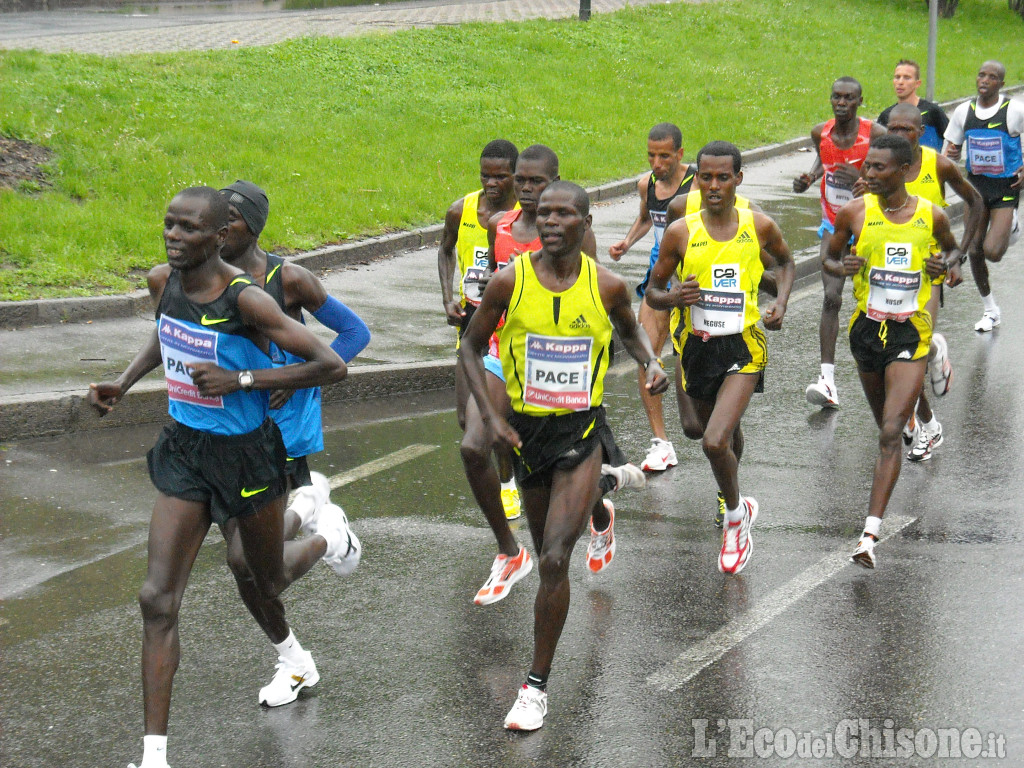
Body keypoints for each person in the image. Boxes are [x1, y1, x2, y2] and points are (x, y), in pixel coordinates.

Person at [88, 187, 348, 768]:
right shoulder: (165, 281)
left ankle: (328, 532)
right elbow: (166, 334)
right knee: (156, 598)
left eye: (187, 229)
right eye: (168, 226)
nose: (173, 237)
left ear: (218, 237)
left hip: (246, 456)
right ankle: (155, 756)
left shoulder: (246, 300)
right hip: (185, 450)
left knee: (267, 578)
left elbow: (333, 364)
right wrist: (124, 383)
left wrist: (245, 381)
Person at [460, 182, 668, 731]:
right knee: (541, 536)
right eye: (545, 213)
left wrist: (650, 364)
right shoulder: (511, 281)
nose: (551, 222)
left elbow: (630, 333)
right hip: (528, 433)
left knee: (553, 558)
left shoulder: (607, 285)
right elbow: (470, 344)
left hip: (580, 432)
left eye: (564, 214)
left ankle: (535, 686)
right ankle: (605, 492)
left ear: (585, 221)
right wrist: (493, 414)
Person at [215, 180, 367, 698]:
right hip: (227, 434)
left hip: (282, 434)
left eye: (228, 218)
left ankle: (324, 528)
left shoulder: (290, 280)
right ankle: (292, 659)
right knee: (247, 564)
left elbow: (353, 336)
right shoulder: (207, 279)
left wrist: (298, 374)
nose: (217, 227)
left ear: (252, 226)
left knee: (255, 563)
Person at [648, 141, 794, 575]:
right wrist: (675, 296)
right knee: (698, 430)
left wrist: (781, 304)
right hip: (695, 344)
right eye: (706, 177)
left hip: (743, 345)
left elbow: (786, 264)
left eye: (723, 177)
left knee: (715, 440)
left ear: (738, 180)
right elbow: (654, 292)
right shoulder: (681, 231)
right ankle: (729, 439)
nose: (714, 186)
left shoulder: (759, 225)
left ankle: (735, 518)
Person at [825, 135, 962, 568]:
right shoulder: (854, 213)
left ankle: (869, 535)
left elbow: (953, 252)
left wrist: (948, 267)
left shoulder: (930, 216)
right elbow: (829, 259)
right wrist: (841, 266)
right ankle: (926, 393)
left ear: (903, 171)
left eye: (878, 169)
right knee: (888, 425)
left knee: (888, 434)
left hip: (910, 333)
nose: (867, 175)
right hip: (867, 330)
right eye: (868, 167)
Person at [878, 106, 983, 461]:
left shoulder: (937, 164)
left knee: (909, 353)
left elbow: (975, 201)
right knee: (892, 354)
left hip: (927, 273)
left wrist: (958, 257)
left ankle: (921, 427)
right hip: (885, 277)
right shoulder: (878, 167)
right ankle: (928, 421)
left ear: (921, 132)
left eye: (907, 128)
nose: (899, 134)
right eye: (893, 127)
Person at [437, 140, 524, 522]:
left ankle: (507, 485)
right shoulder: (462, 209)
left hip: (515, 327)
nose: (491, 183)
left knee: (493, 417)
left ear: (516, 177)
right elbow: (445, 249)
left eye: (500, 176)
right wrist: (447, 298)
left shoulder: (526, 215)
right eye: (485, 175)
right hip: (473, 324)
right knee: (465, 418)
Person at [794, 77, 887, 408]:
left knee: (882, 300)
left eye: (849, 98)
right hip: (833, 226)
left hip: (870, 227)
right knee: (831, 297)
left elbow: (891, 176)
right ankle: (827, 380)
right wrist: (811, 176)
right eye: (836, 97)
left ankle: (905, 357)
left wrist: (864, 180)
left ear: (860, 100)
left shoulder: (874, 134)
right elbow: (823, 159)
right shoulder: (821, 131)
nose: (841, 103)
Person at [608, 123, 695, 471]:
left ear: (679, 154)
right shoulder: (647, 184)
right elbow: (646, 218)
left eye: (664, 156)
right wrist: (627, 242)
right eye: (651, 155)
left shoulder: (699, 184)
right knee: (647, 356)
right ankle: (661, 443)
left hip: (693, 278)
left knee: (693, 353)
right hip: (658, 279)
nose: (657, 163)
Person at [943, 60, 1024, 332]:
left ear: (1001, 84)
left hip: (1005, 188)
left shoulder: (1013, 110)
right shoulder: (963, 111)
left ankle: (1011, 223)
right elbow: (949, 148)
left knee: (992, 252)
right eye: (981, 75)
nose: (985, 80)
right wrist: (952, 152)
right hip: (975, 189)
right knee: (974, 247)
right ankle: (990, 310)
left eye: (992, 77)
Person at [877, 59, 949, 151]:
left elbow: (954, 139)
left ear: (917, 83)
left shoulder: (932, 112)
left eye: (907, 78)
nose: (900, 82)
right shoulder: (886, 115)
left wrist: (945, 160)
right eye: (897, 77)